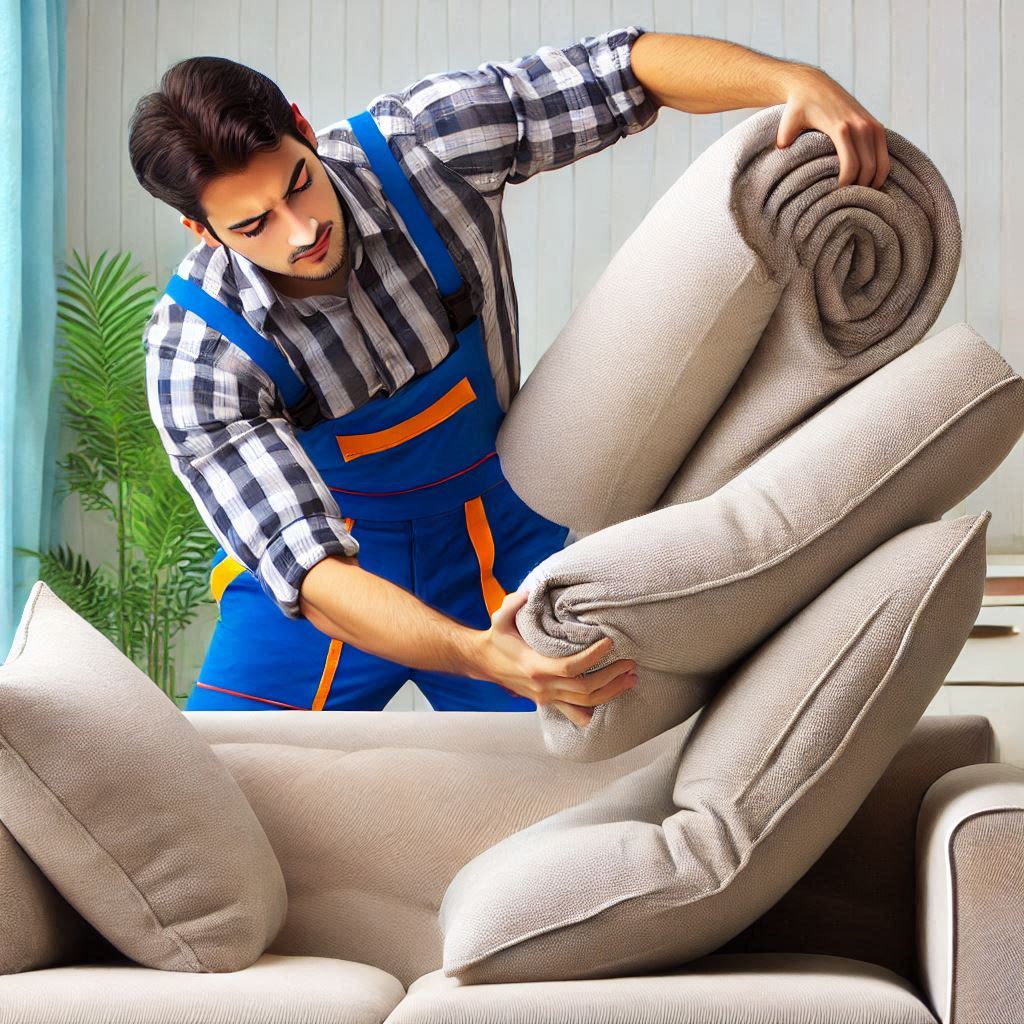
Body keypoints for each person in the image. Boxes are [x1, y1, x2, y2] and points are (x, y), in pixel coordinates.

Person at [129, 26, 889, 717]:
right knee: (226, 775)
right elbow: (312, 571)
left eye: (299, 183)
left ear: (302, 127)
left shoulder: (424, 148)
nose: (303, 232)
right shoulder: (198, 354)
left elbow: (621, 72)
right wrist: (472, 653)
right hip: (330, 586)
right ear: (201, 230)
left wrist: (792, 82)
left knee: (591, 761)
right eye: (254, 225)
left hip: (506, 540)